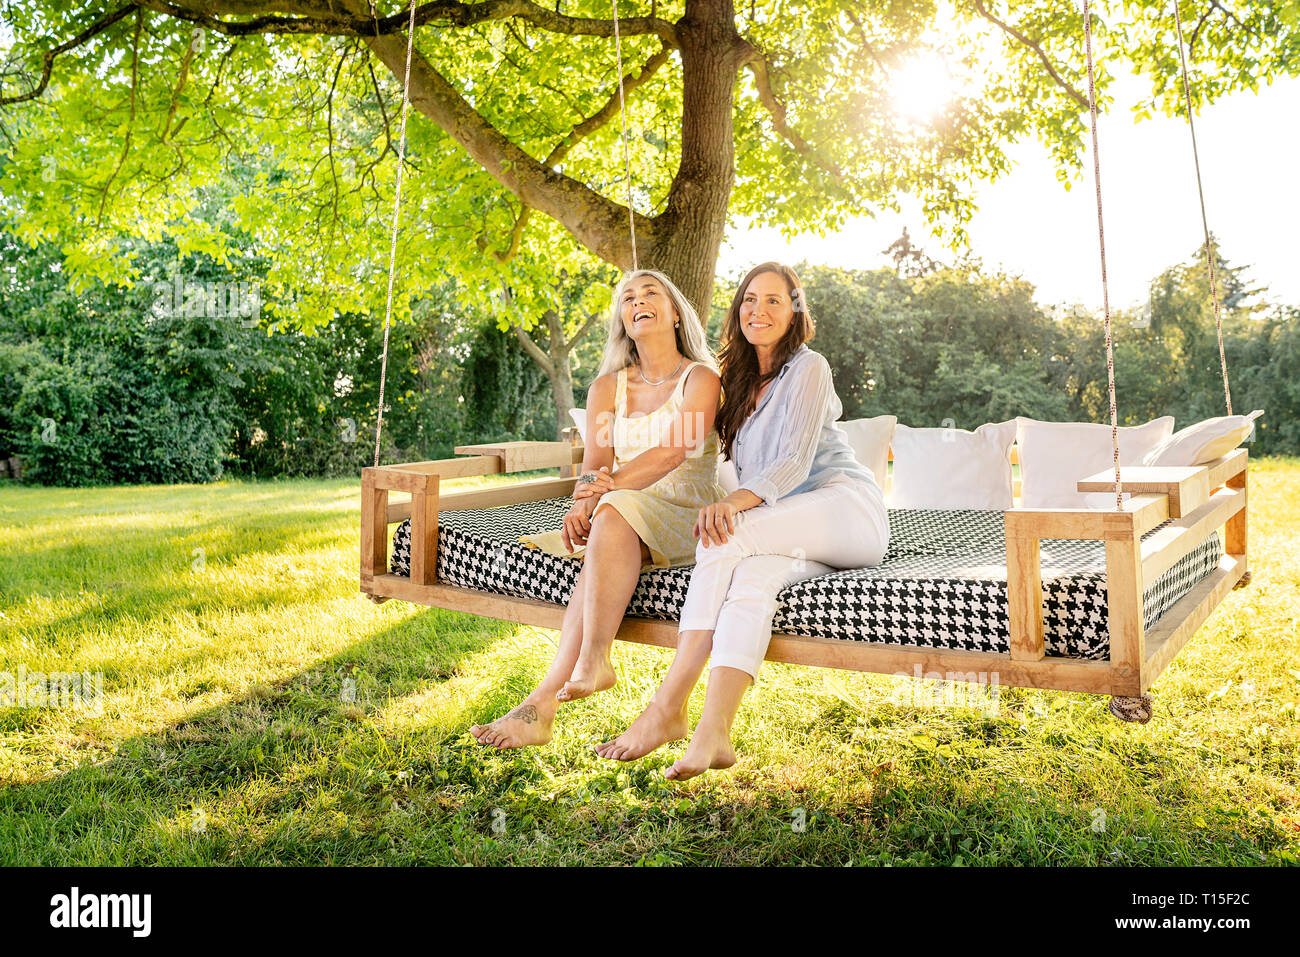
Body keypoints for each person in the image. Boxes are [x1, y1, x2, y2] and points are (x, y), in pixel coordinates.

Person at [591, 262, 889, 779]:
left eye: (775, 300)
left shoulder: (809, 367)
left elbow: (794, 462)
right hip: (791, 526)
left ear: (795, 311)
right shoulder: (734, 379)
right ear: (737, 310)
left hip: (845, 509)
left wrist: (731, 504)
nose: (759, 310)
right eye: (750, 299)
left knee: (722, 536)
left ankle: (667, 705)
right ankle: (714, 732)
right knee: (750, 581)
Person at [470, 269, 724, 749]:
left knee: (612, 513)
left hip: (687, 515)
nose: (638, 301)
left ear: (675, 313)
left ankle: (585, 665)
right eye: (627, 297)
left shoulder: (701, 378)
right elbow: (596, 463)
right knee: (606, 527)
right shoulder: (607, 389)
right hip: (625, 513)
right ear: (622, 319)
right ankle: (545, 701)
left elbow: (677, 449)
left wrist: (603, 496)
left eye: (651, 293)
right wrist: (583, 501)